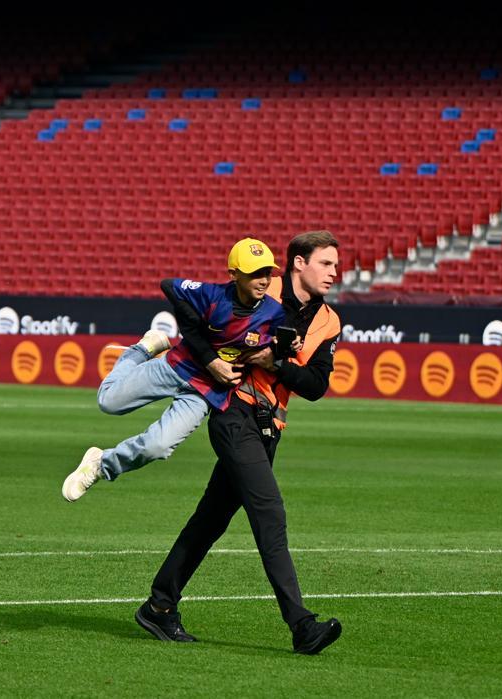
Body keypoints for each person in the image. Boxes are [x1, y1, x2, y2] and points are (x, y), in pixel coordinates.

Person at [133, 230, 345, 655]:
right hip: (234, 413)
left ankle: (159, 605)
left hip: (269, 429)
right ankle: (301, 625)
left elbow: (317, 385)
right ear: (299, 263)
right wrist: (211, 361)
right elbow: (201, 316)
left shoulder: (329, 322)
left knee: (210, 520)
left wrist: (277, 363)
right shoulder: (260, 285)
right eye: (326, 263)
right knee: (270, 514)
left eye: (336, 265)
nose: (334, 273)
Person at [61, 238, 285, 501]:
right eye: (254, 273)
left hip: (204, 394)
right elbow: (169, 285)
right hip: (177, 366)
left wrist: (279, 352)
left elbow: (282, 353)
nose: (263, 280)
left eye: (267, 272)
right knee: (108, 402)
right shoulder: (212, 295)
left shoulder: (275, 314)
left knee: (158, 447)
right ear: (234, 275)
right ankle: (142, 350)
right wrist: (210, 358)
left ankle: (101, 465)